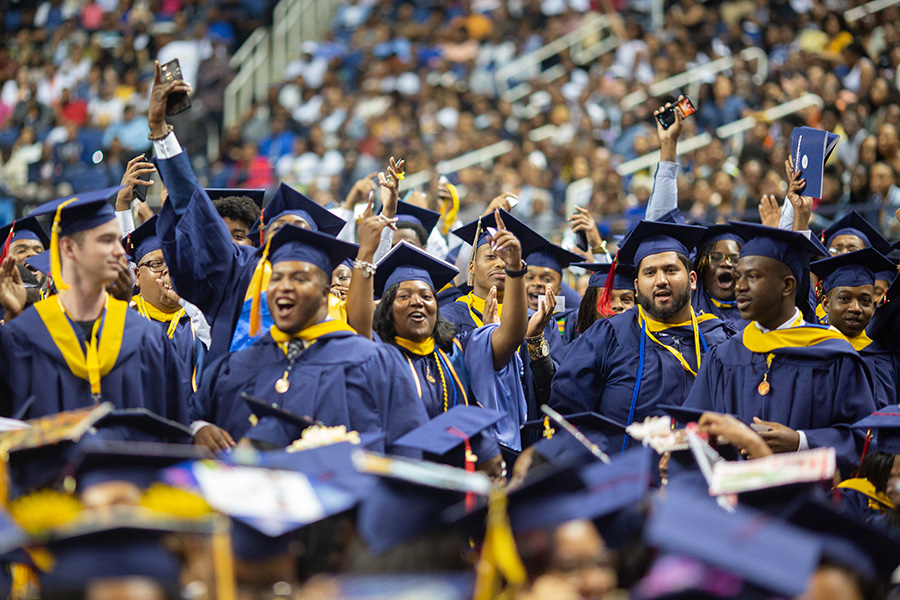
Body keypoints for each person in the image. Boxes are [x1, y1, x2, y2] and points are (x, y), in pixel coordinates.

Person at [145, 61, 347, 361]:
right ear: (262, 239)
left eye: (300, 232)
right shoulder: (238, 271)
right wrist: (161, 133)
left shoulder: (335, 302)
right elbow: (196, 210)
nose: (289, 238)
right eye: (280, 231)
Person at [189, 225, 427, 455]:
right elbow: (191, 415)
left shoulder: (373, 361)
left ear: (325, 294)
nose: (284, 287)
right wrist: (200, 429)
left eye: (299, 278)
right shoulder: (236, 365)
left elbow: (409, 449)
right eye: (277, 278)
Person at [682, 223, 877, 476]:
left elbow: (863, 441)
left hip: (808, 505)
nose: (739, 286)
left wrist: (801, 442)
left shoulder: (834, 356)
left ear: (787, 286)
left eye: (752, 277)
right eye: (739, 276)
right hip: (736, 505)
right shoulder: (725, 356)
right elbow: (696, 427)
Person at [0, 189, 189, 423]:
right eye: (107, 240)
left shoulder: (146, 337)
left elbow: (174, 427)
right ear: (68, 248)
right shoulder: (23, 336)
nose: (121, 251)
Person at [550, 220, 732, 451]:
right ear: (637, 286)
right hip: (625, 479)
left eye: (671, 270)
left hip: (704, 479)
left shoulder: (720, 339)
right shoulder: (606, 337)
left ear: (693, 280)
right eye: (650, 273)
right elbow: (568, 417)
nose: (661, 280)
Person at [361, 229, 527, 447]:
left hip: (454, 467)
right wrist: (364, 256)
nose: (417, 301)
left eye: (426, 296)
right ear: (387, 308)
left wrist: (515, 270)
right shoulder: (378, 354)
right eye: (404, 296)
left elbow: (511, 335)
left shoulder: (456, 350)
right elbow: (358, 325)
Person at [441, 210, 566, 447]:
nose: (500, 263)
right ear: (471, 265)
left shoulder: (539, 321)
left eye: (508, 258)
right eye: (490, 256)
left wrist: (535, 340)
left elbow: (553, 393)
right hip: (468, 440)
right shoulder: (448, 319)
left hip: (529, 441)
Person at [644, 99, 747, 328]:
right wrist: (668, 146)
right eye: (716, 258)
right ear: (697, 272)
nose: (726, 265)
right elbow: (660, 227)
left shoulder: (758, 313)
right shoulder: (688, 303)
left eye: (734, 259)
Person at [810, 248, 899, 408]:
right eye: (845, 299)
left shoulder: (885, 355)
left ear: (873, 306)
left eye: (865, 301)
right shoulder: (810, 349)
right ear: (825, 303)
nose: (856, 308)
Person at [123, 215, 203, 379]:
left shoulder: (200, 322)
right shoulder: (126, 319)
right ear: (137, 276)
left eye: (175, 262)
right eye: (157, 264)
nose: (168, 271)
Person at [565, 262, 636, 344]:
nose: (618, 305)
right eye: (607, 299)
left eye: (626, 299)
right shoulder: (573, 353)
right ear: (591, 306)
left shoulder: (646, 351)